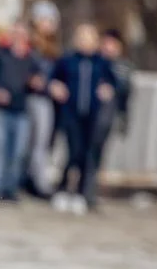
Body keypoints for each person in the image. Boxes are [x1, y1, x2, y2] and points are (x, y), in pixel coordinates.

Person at [49, 23, 120, 213]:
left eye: (89, 38)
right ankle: (63, 189)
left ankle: (79, 193)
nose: (85, 42)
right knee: (73, 151)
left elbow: (113, 83)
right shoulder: (68, 60)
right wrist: (56, 87)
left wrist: (107, 89)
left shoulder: (101, 62)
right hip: (71, 113)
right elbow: (54, 78)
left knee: (85, 155)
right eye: (82, 38)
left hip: (91, 114)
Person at [0, 21, 42, 201]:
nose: (18, 36)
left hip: (21, 110)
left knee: (17, 151)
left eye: (22, 33)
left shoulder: (31, 58)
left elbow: (38, 82)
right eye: (15, 32)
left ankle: (10, 188)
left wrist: (36, 84)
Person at [23, 0, 63, 198]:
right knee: (31, 143)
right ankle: (34, 182)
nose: (48, 24)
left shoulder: (52, 48)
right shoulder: (29, 45)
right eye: (45, 20)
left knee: (42, 144)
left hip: (46, 100)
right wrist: (47, 85)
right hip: (32, 99)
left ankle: (36, 181)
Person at [101, 28, 135, 134]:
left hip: (114, 115)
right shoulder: (97, 63)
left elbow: (124, 88)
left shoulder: (123, 66)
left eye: (112, 44)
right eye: (106, 44)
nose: (108, 48)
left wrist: (112, 89)